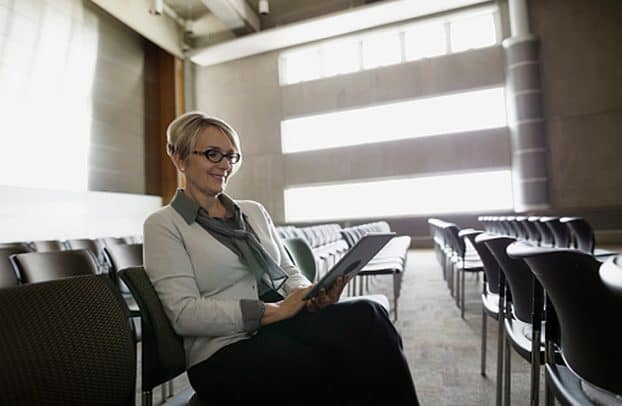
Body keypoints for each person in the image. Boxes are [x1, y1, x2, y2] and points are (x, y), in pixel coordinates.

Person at [143, 111, 419, 405]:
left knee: (369, 315)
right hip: (224, 353)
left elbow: (287, 270)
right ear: (180, 158)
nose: (224, 165)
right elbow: (185, 314)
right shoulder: (164, 224)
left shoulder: (253, 211)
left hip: (277, 328)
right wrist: (272, 311)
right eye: (213, 154)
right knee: (336, 360)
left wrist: (309, 294)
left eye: (231, 157)